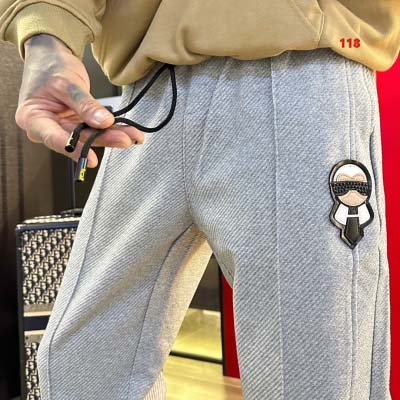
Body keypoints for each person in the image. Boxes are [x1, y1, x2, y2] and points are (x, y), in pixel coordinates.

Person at [1, 1, 399, 399]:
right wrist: (47, 35)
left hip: (297, 68)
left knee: (309, 373)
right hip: (148, 87)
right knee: (80, 363)